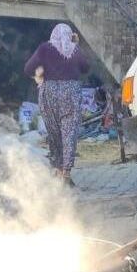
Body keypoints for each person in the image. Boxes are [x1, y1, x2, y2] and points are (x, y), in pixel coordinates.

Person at [24, 23, 90, 186]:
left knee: (55, 134)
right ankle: (66, 174)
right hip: (70, 95)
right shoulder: (75, 50)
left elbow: (28, 69)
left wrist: (40, 72)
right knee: (69, 133)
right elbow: (86, 68)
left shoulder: (44, 48)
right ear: (70, 35)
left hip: (50, 94)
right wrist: (76, 44)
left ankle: (58, 170)